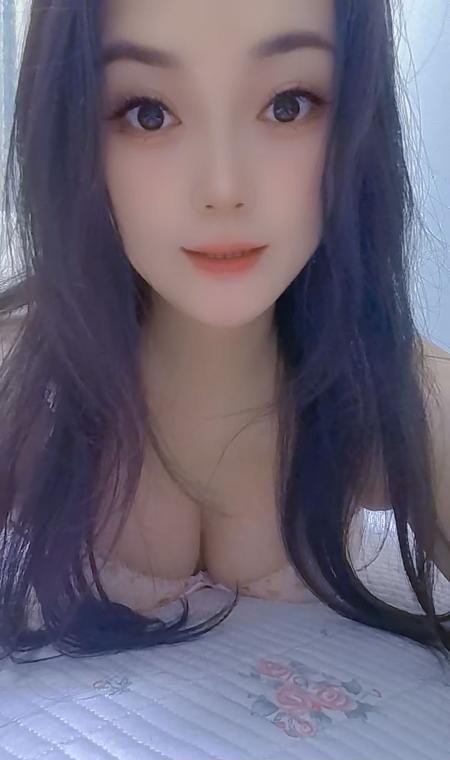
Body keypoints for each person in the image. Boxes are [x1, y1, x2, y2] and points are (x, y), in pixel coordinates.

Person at [0, 0, 449, 664]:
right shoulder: (22, 382)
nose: (223, 187)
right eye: (148, 113)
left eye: (288, 106)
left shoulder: (403, 395)